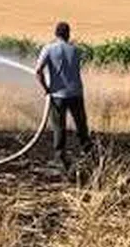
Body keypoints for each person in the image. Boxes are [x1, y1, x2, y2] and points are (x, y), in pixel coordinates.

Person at [35, 20, 93, 168]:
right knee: (81, 124)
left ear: (56, 33)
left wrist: (46, 89)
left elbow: (38, 71)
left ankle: (60, 156)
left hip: (58, 95)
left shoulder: (48, 49)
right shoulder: (75, 50)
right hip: (76, 93)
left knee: (59, 126)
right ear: (68, 34)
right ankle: (88, 152)